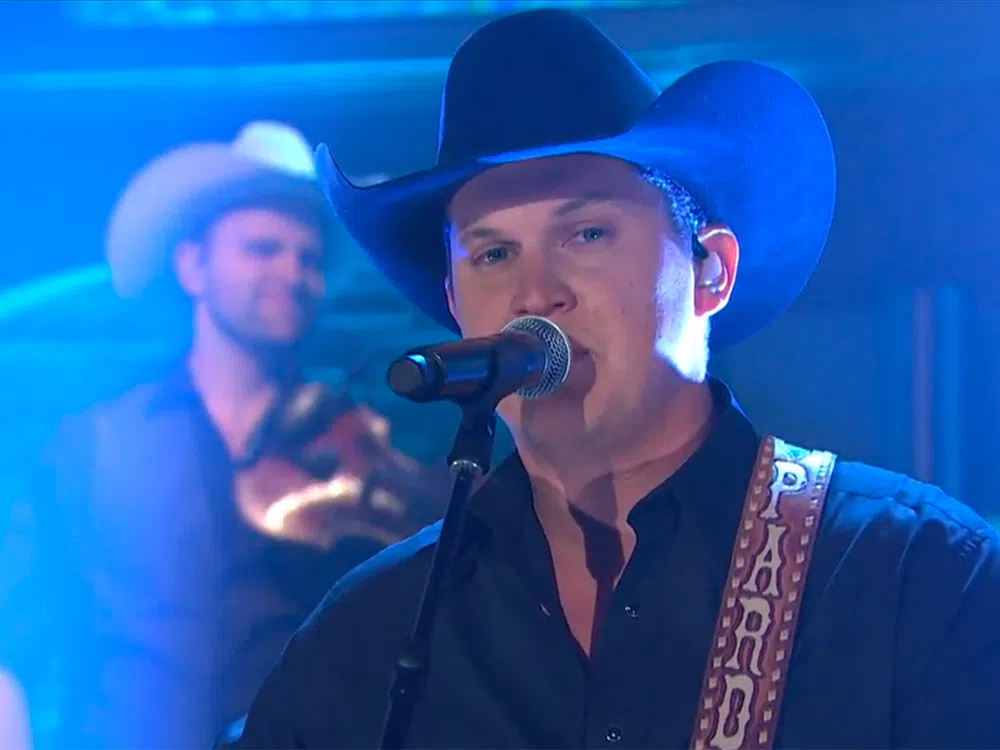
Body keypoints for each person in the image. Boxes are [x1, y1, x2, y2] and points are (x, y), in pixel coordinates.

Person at [232, 10, 1000, 750]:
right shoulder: (370, 634)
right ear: (455, 305)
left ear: (711, 269)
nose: (536, 293)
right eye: (494, 254)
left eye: (587, 232)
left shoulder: (915, 577)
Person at [0, 121, 445, 749]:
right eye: (262, 249)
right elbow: (16, 635)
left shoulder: (354, 444)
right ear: (193, 266)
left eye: (308, 258)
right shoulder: (95, 442)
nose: (291, 271)